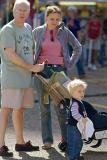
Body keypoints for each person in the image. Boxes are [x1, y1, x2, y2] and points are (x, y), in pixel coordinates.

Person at [33, 5, 82, 149]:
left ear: (60, 19)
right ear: (46, 18)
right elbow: (30, 50)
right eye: (51, 18)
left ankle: (65, 139)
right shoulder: (37, 32)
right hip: (41, 73)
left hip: (59, 72)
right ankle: (47, 140)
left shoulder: (65, 32)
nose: (54, 21)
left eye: (57, 19)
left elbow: (78, 47)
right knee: (44, 107)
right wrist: (32, 66)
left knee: (61, 107)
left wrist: (70, 63)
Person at [0, 0, 44, 157]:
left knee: (19, 110)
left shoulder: (27, 27)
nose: (23, 12)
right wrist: (31, 67)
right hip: (12, 76)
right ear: (13, 10)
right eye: (20, 9)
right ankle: (1, 145)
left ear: (29, 12)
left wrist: (36, 64)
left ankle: (20, 142)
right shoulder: (7, 29)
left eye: (26, 10)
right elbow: (10, 54)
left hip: (25, 77)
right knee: (5, 109)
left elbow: (29, 49)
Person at [66, 79, 88, 160]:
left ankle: (77, 156)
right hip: (73, 127)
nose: (82, 93)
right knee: (74, 143)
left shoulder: (79, 101)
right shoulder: (75, 103)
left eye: (83, 91)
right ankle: (72, 157)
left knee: (79, 142)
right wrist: (82, 119)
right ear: (72, 92)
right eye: (79, 91)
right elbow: (74, 114)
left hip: (78, 126)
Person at [65, 6, 86, 79]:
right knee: (67, 57)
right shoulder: (66, 19)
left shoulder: (76, 21)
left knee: (76, 57)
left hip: (74, 41)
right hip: (67, 40)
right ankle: (66, 73)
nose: (70, 13)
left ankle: (81, 72)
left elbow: (78, 30)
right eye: (69, 12)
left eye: (71, 12)